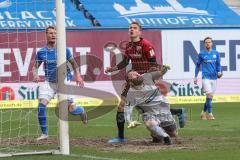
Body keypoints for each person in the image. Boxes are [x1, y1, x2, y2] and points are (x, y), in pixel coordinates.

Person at [105, 21, 185, 144]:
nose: (131, 29)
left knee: (148, 107)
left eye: (134, 28)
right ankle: (121, 136)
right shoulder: (129, 46)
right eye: (130, 28)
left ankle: (173, 116)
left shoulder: (146, 45)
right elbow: (125, 62)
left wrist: (146, 76)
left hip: (146, 80)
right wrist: (113, 69)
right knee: (122, 105)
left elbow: (153, 64)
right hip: (134, 80)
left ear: (139, 31)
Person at [32, 26, 87, 140]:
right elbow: (35, 67)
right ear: (46, 35)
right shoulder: (41, 52)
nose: (53, 35)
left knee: (71, 109)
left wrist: (78, 76)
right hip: (49, 83)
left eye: (55, 33)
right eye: (50, 33)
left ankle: (81, 111)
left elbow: (74, 63)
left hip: (64, 82)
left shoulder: (64, 50)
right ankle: (44, 134)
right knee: (41, 106)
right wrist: (35, 75)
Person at [124, 69, 178, 145]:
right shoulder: (131, 94)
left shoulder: (147, 76)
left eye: (137, 73)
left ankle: (156, 134)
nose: (137, 74)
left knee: (174, 134)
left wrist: (164, 69)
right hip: (149, 113)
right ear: (130, 81)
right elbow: (128, 109)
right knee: (150, 124)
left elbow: (160, 73)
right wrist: (129, 122)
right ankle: (165, 137)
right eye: (133, 75)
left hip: (164, 111)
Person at [194, 37, 222, 120]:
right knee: (209, 94)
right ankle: (210, 114)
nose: (208, 43)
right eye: (206, 42)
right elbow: (198, 65)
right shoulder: (201, 54)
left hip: (214, 77)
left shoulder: (216, 53)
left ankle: (203, 112)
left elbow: (218, 64)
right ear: (204, 44)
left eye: (209, 42)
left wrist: (219, 72)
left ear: (212, 43)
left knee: (209, 97)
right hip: (205, 77)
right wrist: (195, 76)